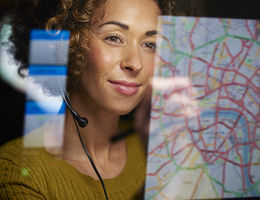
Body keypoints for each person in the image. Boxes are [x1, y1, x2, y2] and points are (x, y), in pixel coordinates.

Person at [0, 0, 202, 199]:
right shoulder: (18, 172)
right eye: (114, 38)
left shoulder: (164, 149)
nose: (135, 63)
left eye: (150, 44)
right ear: (66, 43)